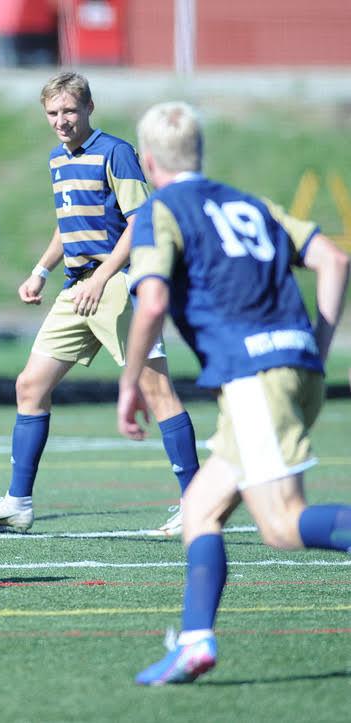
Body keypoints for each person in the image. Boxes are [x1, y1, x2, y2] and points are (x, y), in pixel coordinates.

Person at [119, 101, 351, 685]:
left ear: (147, 161)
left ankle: (197, 640)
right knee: (201, 507)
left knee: (280, 525)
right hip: (289, 371)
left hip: (253, 380)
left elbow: (149, 302)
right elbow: (333, 259)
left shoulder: (160, 209)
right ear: (200, 153)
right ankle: (196, 642)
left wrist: (130, 382)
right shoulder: (249, 203)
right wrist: (315, 352)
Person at [0, 71, 199, 535]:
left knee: (156, 391)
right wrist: (40, 270)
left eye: (70, 110)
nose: (62, 120)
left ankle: (197, 502)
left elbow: (141, 222)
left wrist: (104, 277)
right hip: (77, 288)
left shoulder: (116, 152)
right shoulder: (57, 159)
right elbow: (66, 223)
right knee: (29, 385)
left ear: (90, 108)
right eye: (53, 113)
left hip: (117, 284)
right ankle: (18, 503)